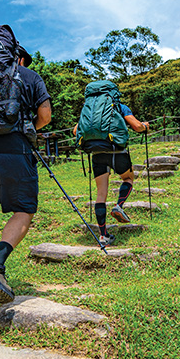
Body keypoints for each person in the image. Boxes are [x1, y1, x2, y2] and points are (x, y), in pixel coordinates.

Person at [0, 44, 51, 311]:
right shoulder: (28, 75)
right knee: (24, 210)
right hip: (13, 148)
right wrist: (26, 130)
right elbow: (45, 117)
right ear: (21, 59)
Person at [74, 89, 149, 246]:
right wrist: (145, 126)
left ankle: (103, 236)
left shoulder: (89, 110)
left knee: (101, 194)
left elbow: (76, 131)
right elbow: (136, 126)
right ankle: (119, 206)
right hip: (117, 151)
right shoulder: (120, 107)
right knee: (128, 178)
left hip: (97, 153)